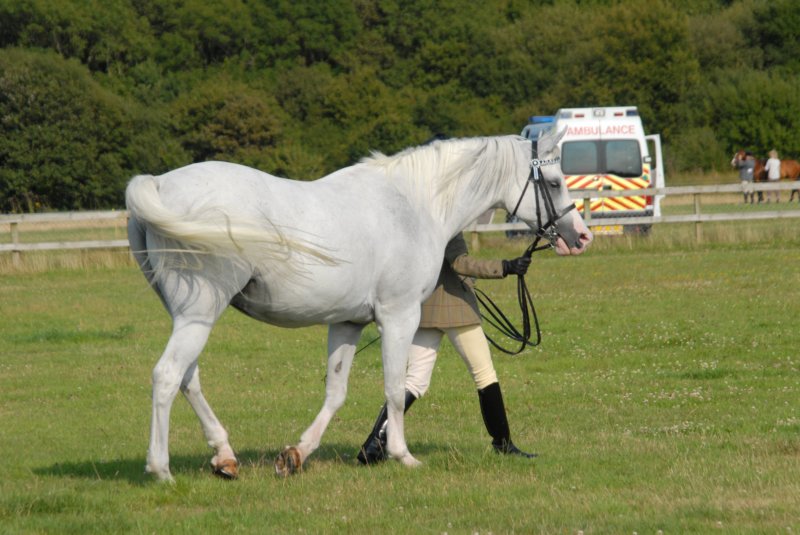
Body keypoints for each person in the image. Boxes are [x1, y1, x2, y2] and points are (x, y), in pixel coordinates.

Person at [357, 233, 536, 465]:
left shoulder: (416, 223)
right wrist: (506, 267)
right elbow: (461, 263)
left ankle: (374, 444)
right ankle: (503, 444)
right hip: (456, 309)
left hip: (426, 309)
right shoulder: (448, 224)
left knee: (414, 381)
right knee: (485, 375)